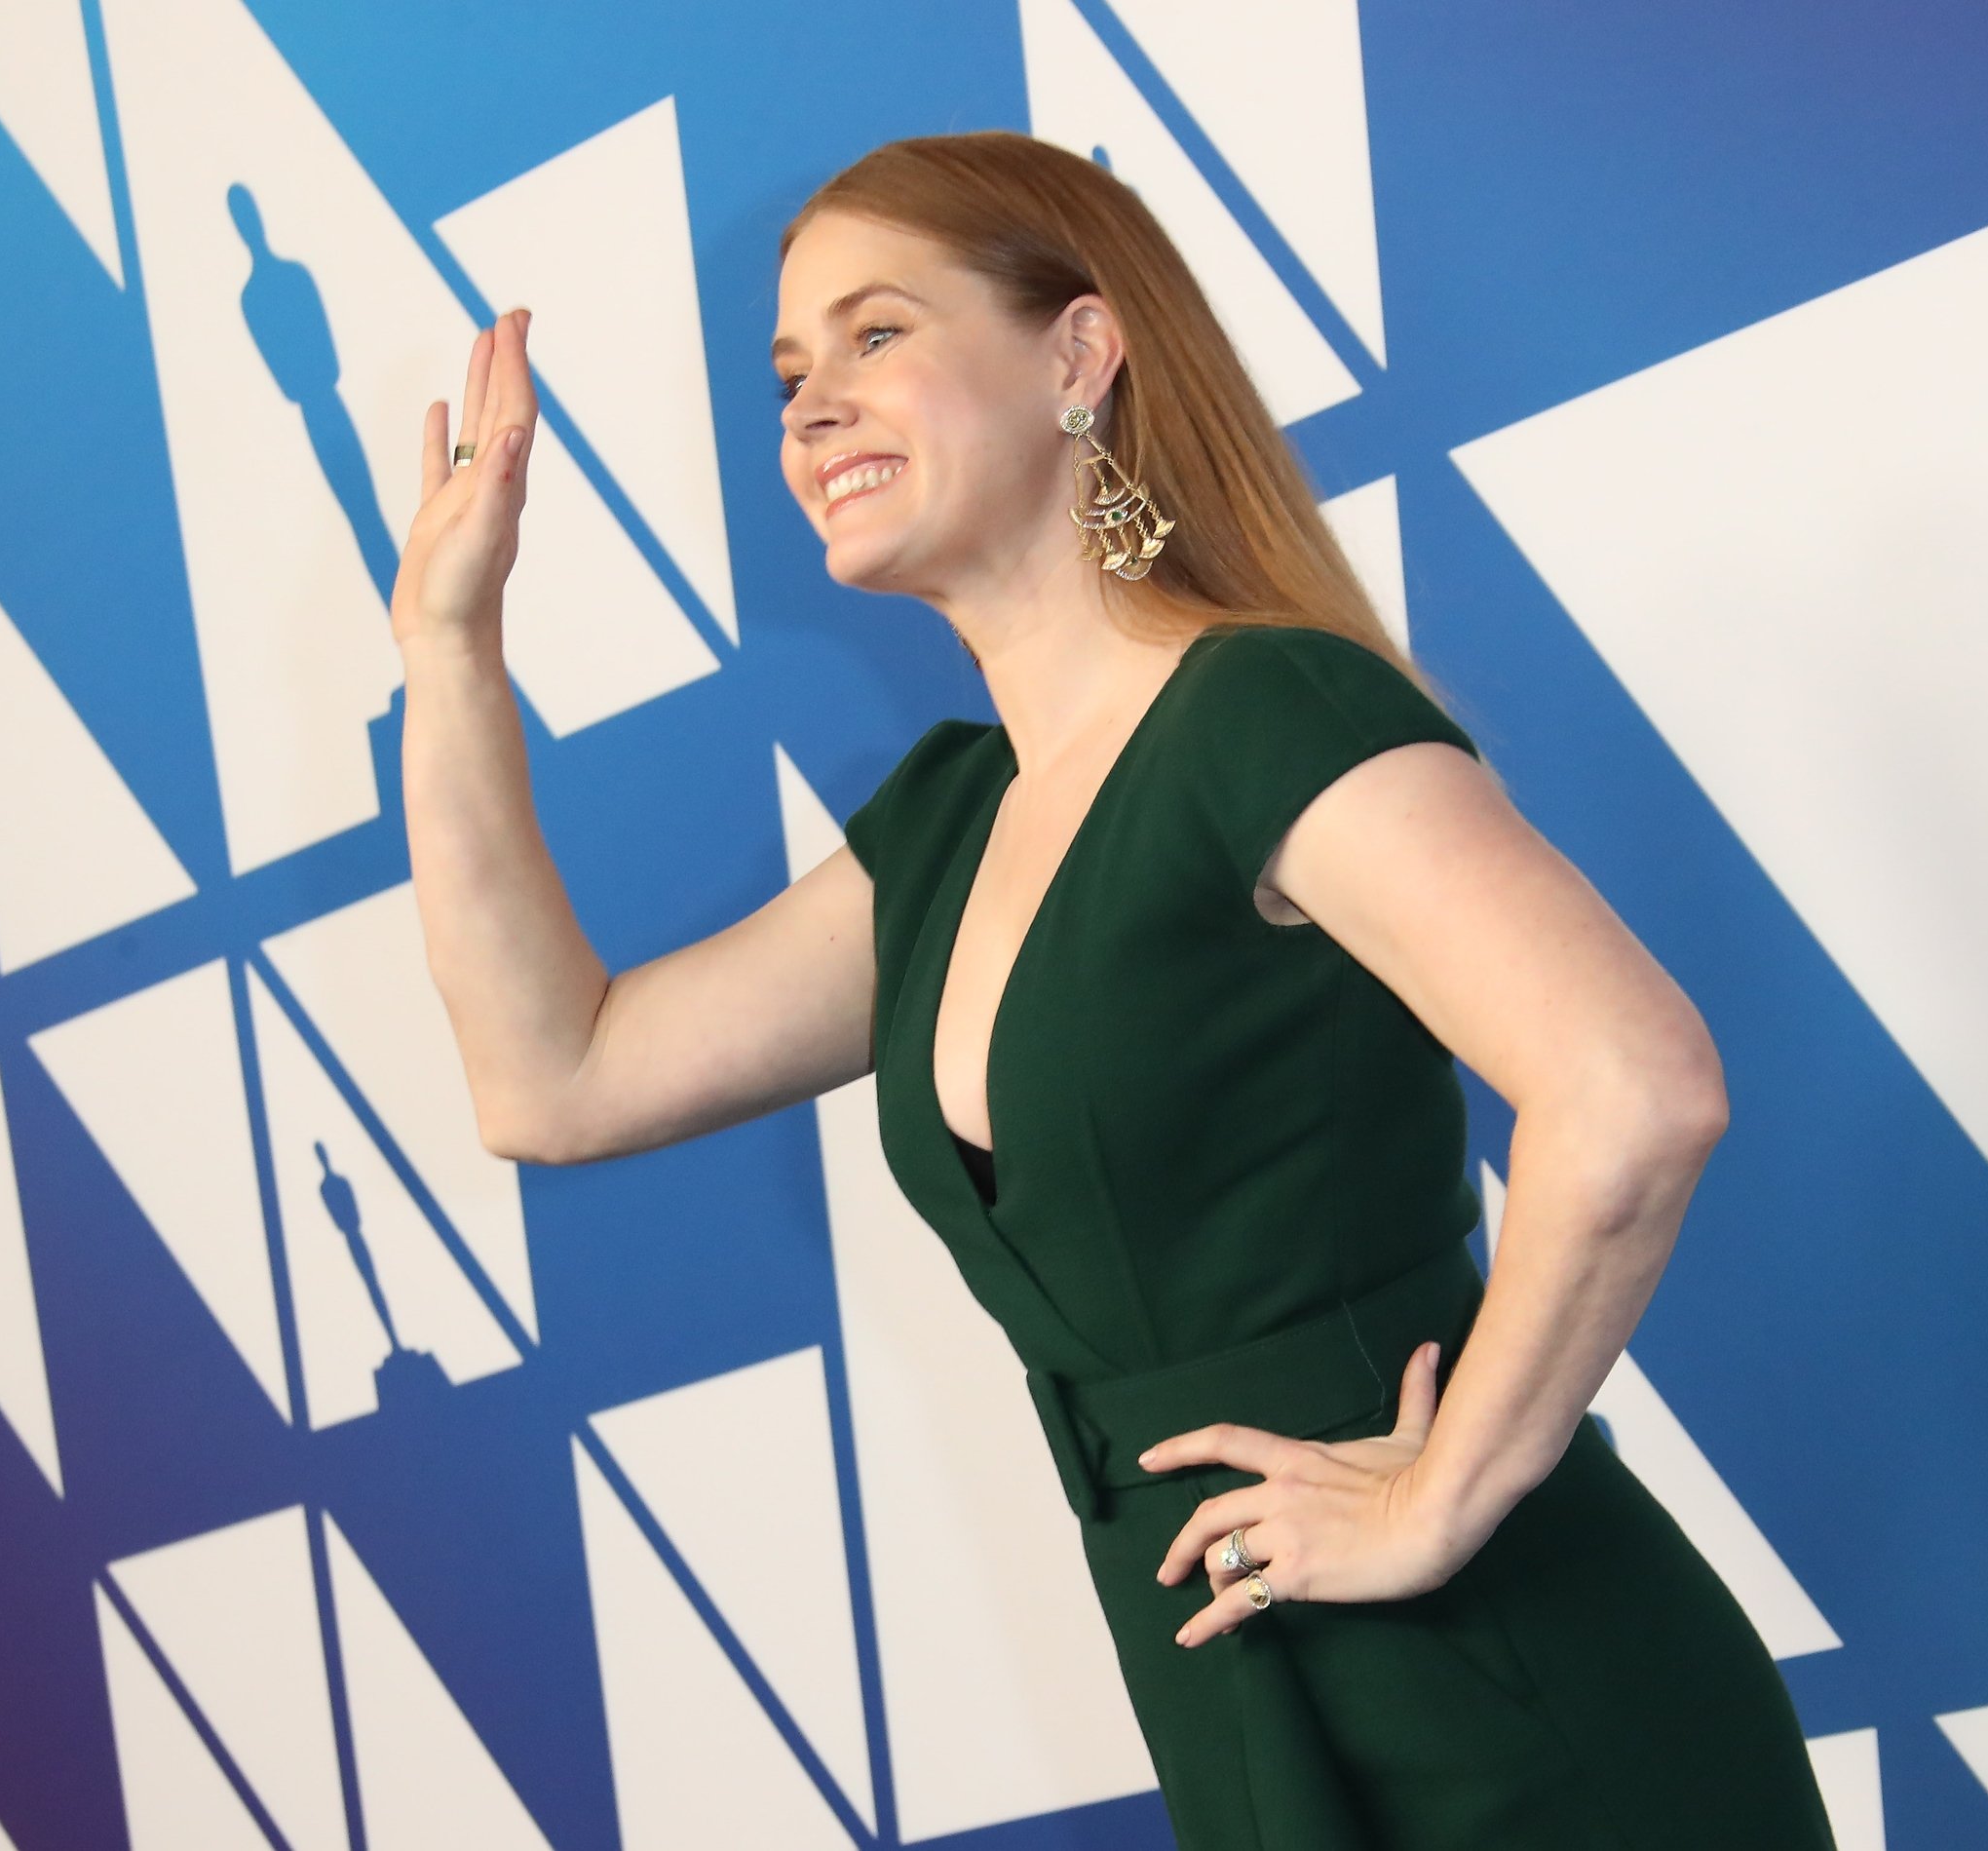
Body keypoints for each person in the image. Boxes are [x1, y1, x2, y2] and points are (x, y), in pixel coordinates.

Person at [393, 131, 1832, 1849]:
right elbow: (555, 1079)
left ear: (1077, 355)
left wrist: (1444, 1500)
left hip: (1517, 1707)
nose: (809, 410)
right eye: (789, 374)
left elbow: (1637, 1084)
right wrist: (451, 652)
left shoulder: (1261, 717)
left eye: (875, 337)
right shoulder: (944, 825)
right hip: (1234, 1694)